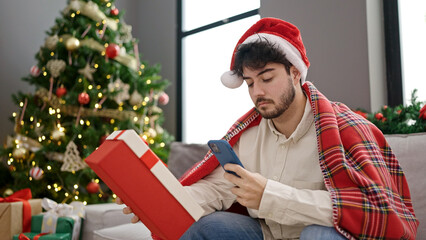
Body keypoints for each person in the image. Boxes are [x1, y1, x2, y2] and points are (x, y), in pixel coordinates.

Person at [117, 17, 418, 239]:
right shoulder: (247, 136)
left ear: (296, 72)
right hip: (267, 234)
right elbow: (216, 189)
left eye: (267, 78)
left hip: (322, 235)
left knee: (318, 235)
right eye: (249, 83)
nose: (257, 91)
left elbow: (371, 207)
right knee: (207, 226)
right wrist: (160, 200)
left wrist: (269, 196)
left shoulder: (342, 129)